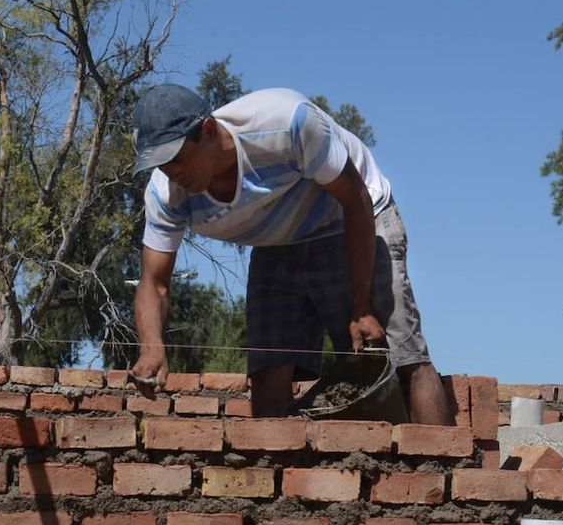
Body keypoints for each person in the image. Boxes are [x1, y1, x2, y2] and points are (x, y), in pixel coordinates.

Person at [128, 84, 453, 425]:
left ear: (208, 130)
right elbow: (154, 283)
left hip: (352, 216)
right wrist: (151, 346)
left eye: (177, 157)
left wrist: (362, 307)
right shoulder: (166, 195)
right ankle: (279, 473)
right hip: (278, 241)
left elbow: (356, 201)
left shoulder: (287, 125)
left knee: (402, 357)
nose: (171, 171)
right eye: (160, 163)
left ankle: (443, 468)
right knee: (269, 372)